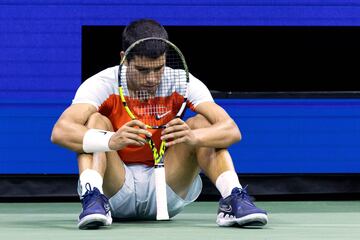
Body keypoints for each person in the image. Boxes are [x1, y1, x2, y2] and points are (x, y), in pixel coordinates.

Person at [51, 18, 268, 229]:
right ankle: (93, 197)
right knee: (94, 123)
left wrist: (194, 138)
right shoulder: (101, 84)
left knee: (203, 124)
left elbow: (232, 130)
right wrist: (112, 140)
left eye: (159, 68)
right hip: (115, 188)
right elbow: (60, 131)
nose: (152, 79)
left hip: (168, 185)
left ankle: (233, 198)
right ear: (124, 59)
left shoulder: (181, 81)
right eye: (143, 70)